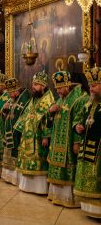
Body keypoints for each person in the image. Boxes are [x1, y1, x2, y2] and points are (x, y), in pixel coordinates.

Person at [47, 71, 88, 207]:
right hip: (56, 142)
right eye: (56, 88)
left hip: (69, 144)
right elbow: (52, 120)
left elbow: (79, 121)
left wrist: (77, 142)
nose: (58, 90)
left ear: (68, 85)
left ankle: (69, 199)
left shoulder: (79, 98)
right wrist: (51, 113)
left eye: (60, 88)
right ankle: (56, 196)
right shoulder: (60, 99)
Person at [14, 71, 54, 194]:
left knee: (38, 160)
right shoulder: (34, 98)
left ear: (43, 86)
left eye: (36, 84)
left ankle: (39, 188)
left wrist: (46, 136)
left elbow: (48, 119)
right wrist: (19, 128)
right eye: (33, 84)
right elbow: (27, 114)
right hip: (28, 135)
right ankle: (27, 186)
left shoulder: (48, 99)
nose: (33, 86)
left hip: (39, 137)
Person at [73, 65, 101, 218]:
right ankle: (90, 209)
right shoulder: (88, 104)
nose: (91, 88)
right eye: (90, 85)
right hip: (87, 148)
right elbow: (78, 120)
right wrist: (77, 126)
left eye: (94, 85)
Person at [1, 78, 31, 185]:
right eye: (9, 93)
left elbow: (23, 115)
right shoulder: (11, 100)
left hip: (17, 133)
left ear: (18, 90)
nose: (10, 95)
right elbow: (5, 116)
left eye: (12, 92)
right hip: (9, 132)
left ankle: (15, 178)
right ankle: (8, 176)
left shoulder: (25, 100)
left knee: (15, 153)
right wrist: (4, 110)